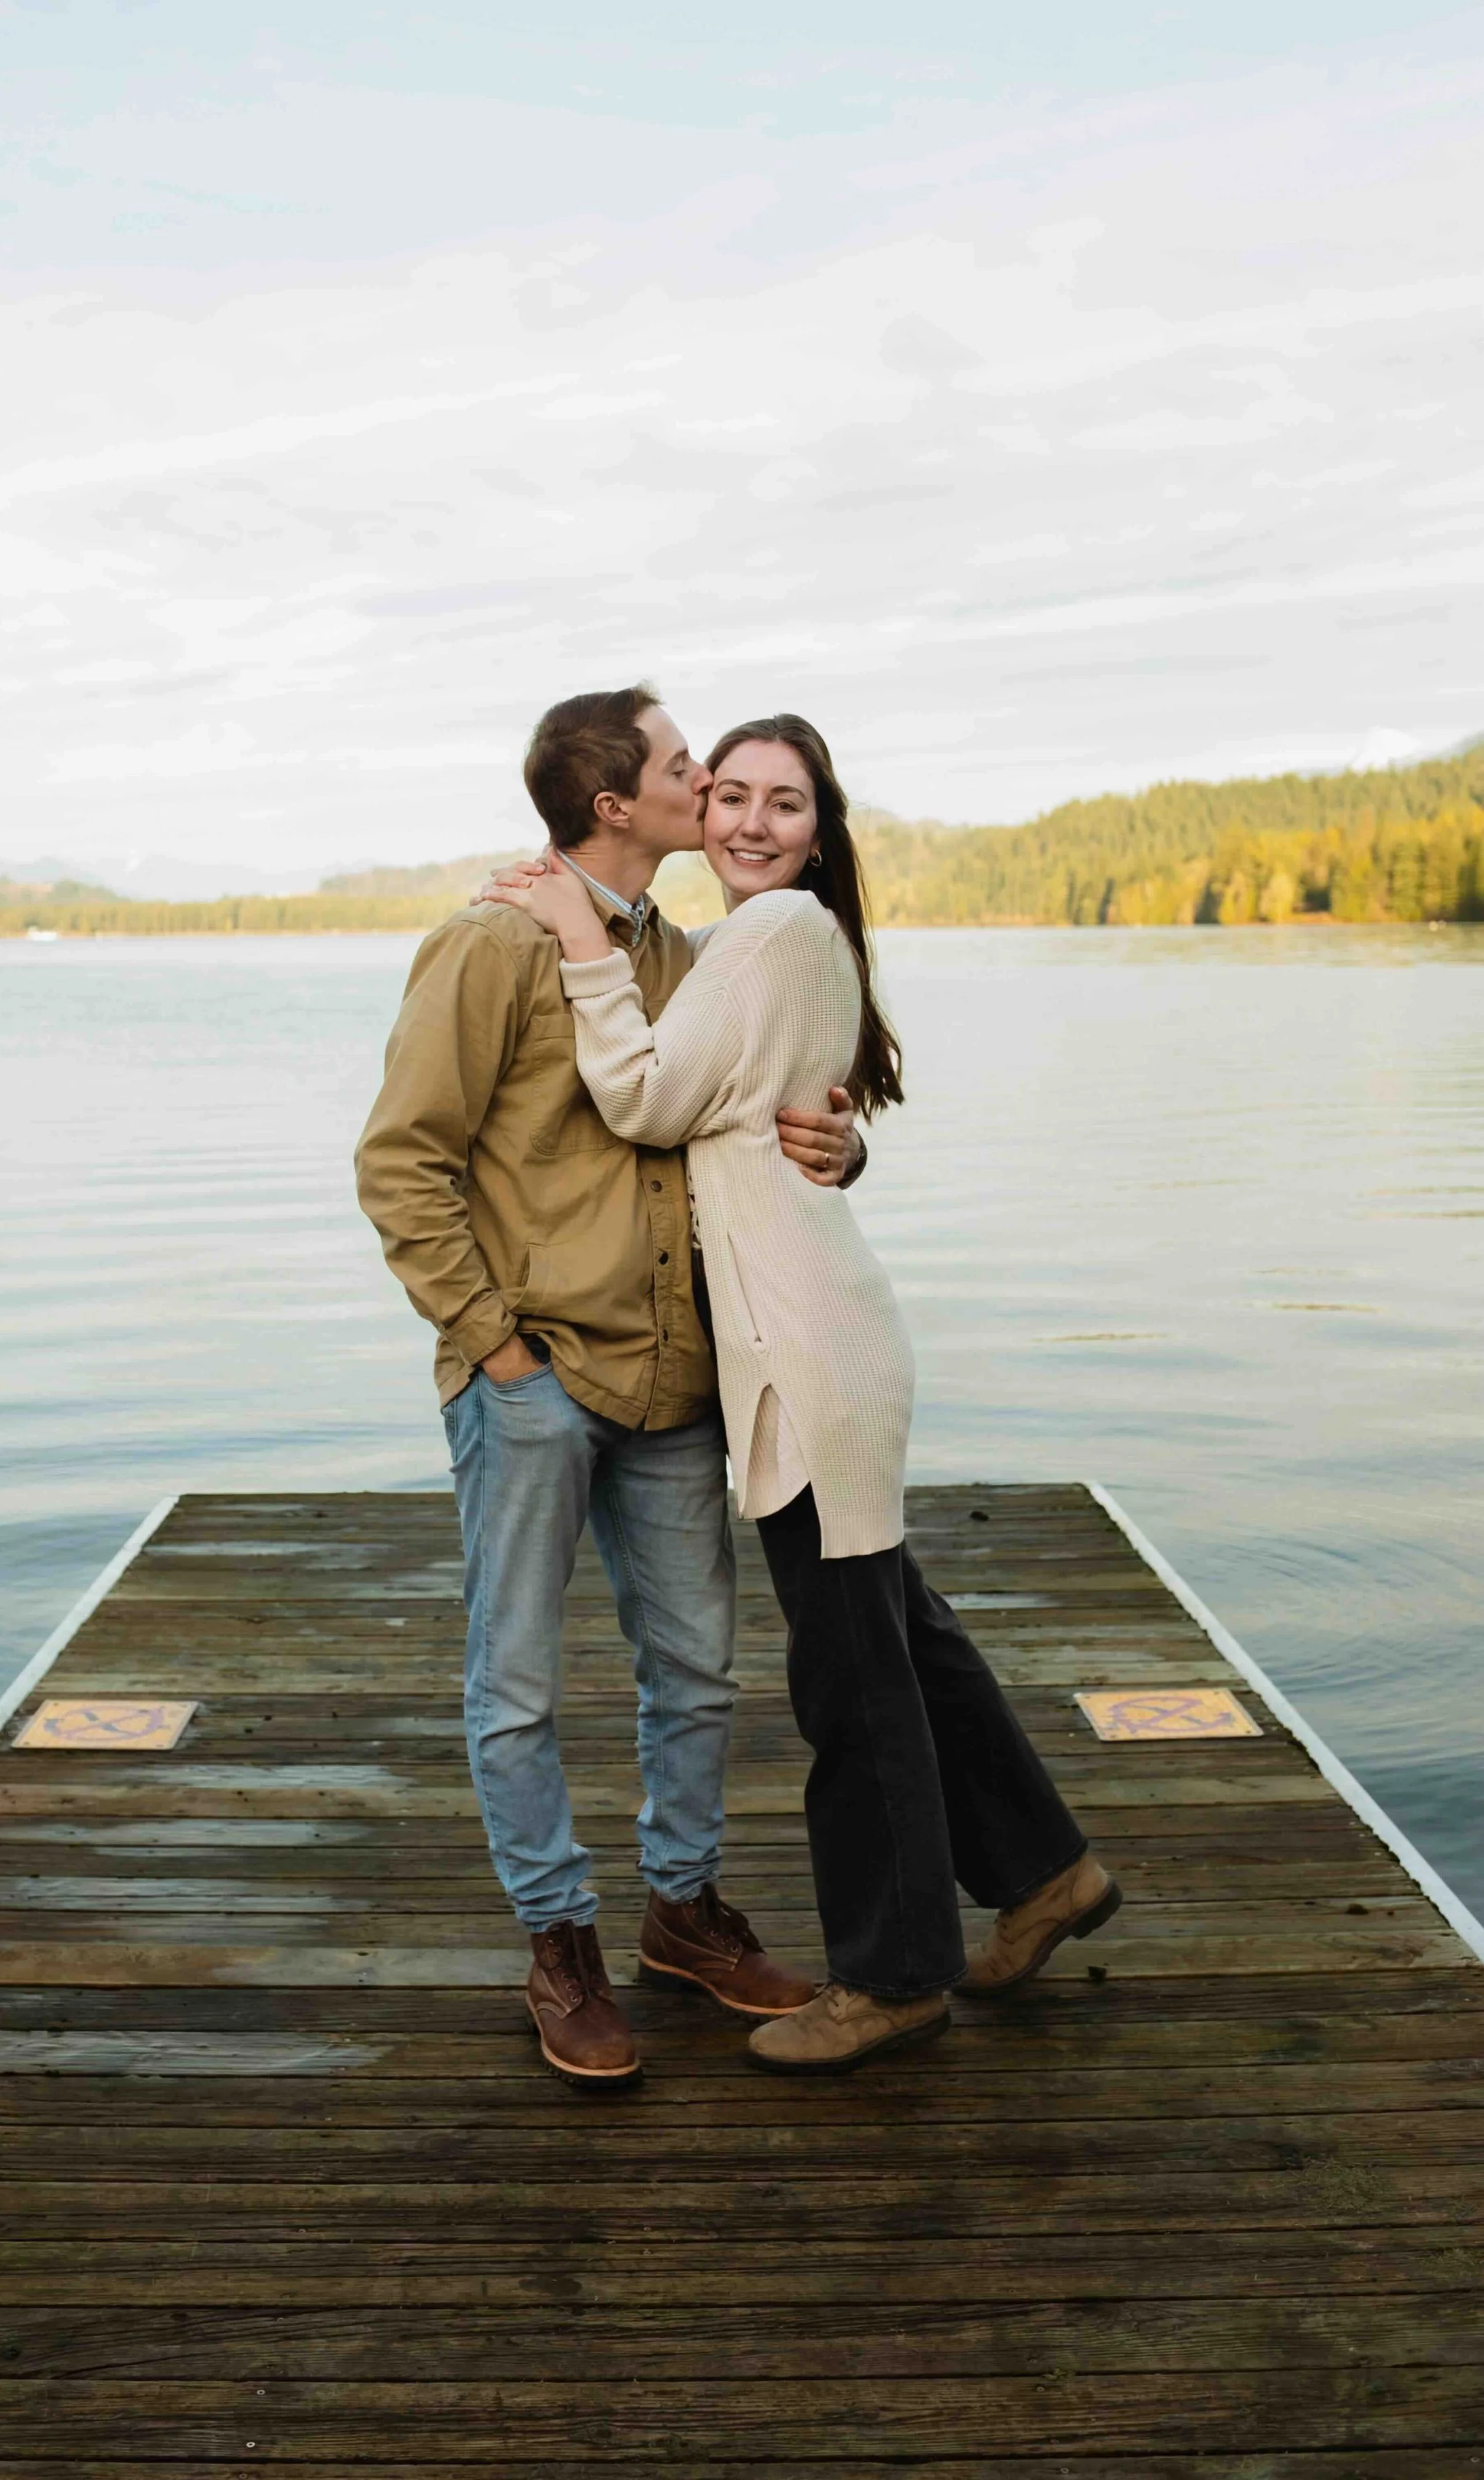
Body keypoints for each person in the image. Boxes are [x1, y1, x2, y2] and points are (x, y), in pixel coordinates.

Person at [476, 712, 1120, 2075]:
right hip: (821, 1332)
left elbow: (648, 1105)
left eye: (783, 803)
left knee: (853, 1683)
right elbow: (769, 1117)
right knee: (902, 1635)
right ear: (695, 813)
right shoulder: (759, 947)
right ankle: (1046, 1873)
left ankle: (890, 1977)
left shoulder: (768, 935)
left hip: (807, 1356)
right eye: (726, 795)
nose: (749, 823)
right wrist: (836, 1149)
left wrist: (582, 946)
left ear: (819, 831)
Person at [355, 687, 867, 2091]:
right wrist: (496, 1351)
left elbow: (774, 1115)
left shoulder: (693, 956)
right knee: (514, 1682)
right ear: (613, 806)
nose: (707, 785)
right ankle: (557, 1940)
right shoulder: (486, 946)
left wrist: (839, 1149)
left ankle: (681, 1912)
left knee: (696, 1670)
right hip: (534, 1378)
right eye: (683, 765)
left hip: (676, 1376)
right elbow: (401, 1163)